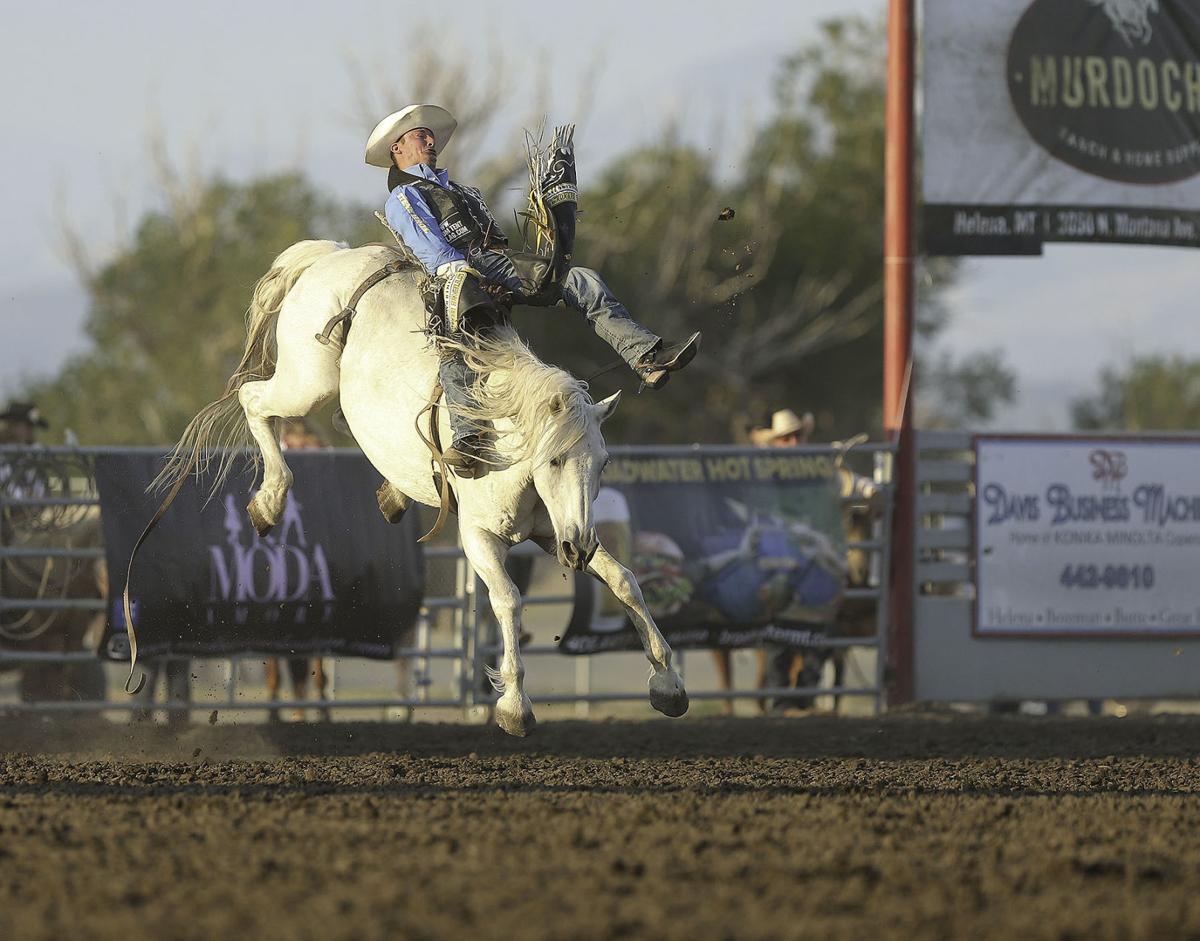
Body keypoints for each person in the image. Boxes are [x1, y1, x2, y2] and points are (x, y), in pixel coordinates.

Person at [364, 104, 701, 474]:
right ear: (397, 149)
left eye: (428, 134)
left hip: (498, 263)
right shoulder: (404, 196)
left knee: (581, 281)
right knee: (459, 343)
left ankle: (645, 356)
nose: (428, 140)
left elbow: (492, 237)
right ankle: (468, 436)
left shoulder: (458, 189)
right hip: (456, 275)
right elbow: (431, 249)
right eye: (418, 136)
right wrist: (468, 278)